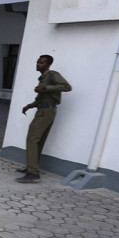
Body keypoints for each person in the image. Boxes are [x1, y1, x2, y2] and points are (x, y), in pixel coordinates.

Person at [16, 55, 72, 183]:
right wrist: (30, 105)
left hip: (47, 111)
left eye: (41, 63)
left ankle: (33, 173)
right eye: (37, 62)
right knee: (38, 141)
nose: (38, 64)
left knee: (32, 139)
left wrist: (46, 87)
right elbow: (42, 98)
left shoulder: (52, 74)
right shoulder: (43, 77)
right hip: (44, 110)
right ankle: (32, 168)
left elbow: (67, 87)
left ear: (48, 65)